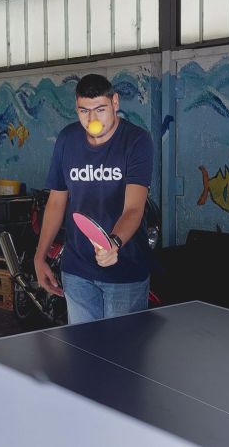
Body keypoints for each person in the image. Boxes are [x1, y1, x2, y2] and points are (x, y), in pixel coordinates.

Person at [34, 74, 154, 324]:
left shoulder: (136, 140)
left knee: (123, 357)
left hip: (125, 271)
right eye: (84, 111)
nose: (92, 119)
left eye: (100, 109)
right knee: (85, 355)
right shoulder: (67, 140)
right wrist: (40, 255)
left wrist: (114, 243)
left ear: (115, 103)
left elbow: (134, 208)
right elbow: (57, 201)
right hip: (77, 271)